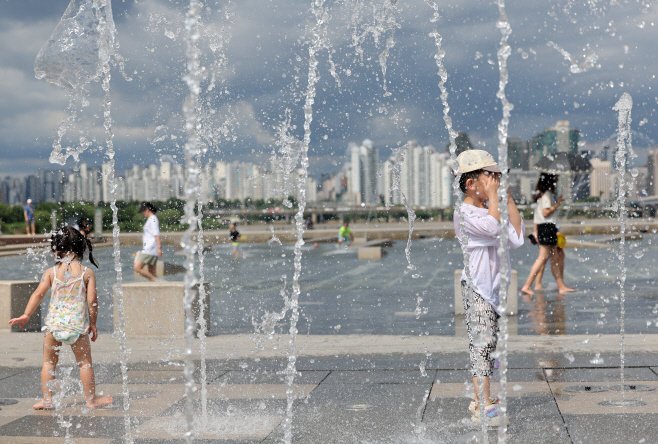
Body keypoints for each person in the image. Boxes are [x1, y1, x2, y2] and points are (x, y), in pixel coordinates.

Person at [453, 150, 524, 426]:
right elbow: (494, 228)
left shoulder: (488, 207)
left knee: (490, 345)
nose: (496, 181)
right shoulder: (464, 213)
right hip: (478, 289)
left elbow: (516, 238)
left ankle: (481, 397)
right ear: (471, 184)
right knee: (481, 347)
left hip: (495, 293)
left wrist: (506, 197)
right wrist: (495, 199)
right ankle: (481, 405)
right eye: (490, 177)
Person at [8, 226, 112, 410]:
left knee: (48, 363)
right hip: (77, 327)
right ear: (81, 248)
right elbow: (92, 301)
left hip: (53, 327)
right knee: (85, 363)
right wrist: (93, 324)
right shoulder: (87, 273)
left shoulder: (51, 272)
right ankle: (91, 400)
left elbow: (38, 294)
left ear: (57, 248)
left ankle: (47, 399)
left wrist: (26, 314)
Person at [521, 173, 575, 295]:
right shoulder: (546, 195)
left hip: (546, 228)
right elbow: (546, 212)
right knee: (542, 259)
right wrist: (558, 203)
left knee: (554, 258)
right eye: (555, 178)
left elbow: (538, 215)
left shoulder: (544, 194)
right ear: (550, 181)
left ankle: (560, 286)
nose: (557, 180)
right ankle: (527, 285)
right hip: (547, 228)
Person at [133, 202, 161, 281]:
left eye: (142, 211)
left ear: (147, 209)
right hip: (151, 248)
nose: (142, 213)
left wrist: (159, 247)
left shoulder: (153, 219)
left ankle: (156, 282)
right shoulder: (152, 219)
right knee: (152, 272)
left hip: (150, 248)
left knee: (137, 267)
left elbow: (156, 233)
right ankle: (159, 285)